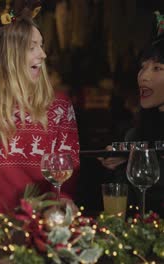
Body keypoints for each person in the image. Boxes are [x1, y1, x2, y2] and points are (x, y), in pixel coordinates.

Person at [0, 6, 80, 214]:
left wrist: (61, 202)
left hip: (41, 225)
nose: (43, 54)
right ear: (7, 55)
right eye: (32, 47)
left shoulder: (59, 106)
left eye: (41, 46)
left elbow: (65, 179)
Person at [98, 26, 164, 217]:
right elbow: (126, 209)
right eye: (143, 67)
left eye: (157, 68)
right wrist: (120, 165)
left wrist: (137, 161)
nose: (144, 76)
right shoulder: (135, 135)